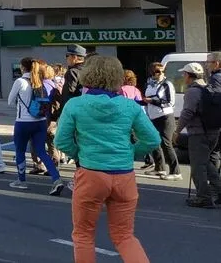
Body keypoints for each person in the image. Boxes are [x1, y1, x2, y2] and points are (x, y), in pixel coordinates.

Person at [56, 55, 159, 262]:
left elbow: (61, 141)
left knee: (83, 234)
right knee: (124, 236)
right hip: (124, 175)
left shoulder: (76, 105)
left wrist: (79, 154)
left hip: (91, 173)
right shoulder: (129, 106)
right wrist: (131, 152)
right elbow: (152, 139)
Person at [7, 57, 65, 195]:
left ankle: (21, 180)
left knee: (20, 150)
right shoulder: (40, 81)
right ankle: (57, 179)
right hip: (40, 121)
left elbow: (9, 101)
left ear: (22, 67)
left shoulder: (20, 81)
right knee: (41, 151)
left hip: (23, 122)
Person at [174, 60, 221, 208]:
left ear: (189, 75)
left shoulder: (193, 91)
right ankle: (219, 191)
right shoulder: (208, 88)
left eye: (184, 74)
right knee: (205, 163)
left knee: (197, 166)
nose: (183, 76)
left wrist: (177, 131)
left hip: (199, 133)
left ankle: (204, 197)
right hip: (213, 131)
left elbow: (188, 112)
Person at [140, 62, 180, 180]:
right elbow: (145, 100)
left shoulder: (167, 84)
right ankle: (159, 168)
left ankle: (175, 171)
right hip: (152, 116)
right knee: (154, 141)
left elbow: (170, 102)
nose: (160, 73)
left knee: (166, 143)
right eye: (157, 71)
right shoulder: (149, 84)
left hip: (165, 116)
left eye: (162, 71)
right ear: (152, 72)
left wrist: (152, 101)